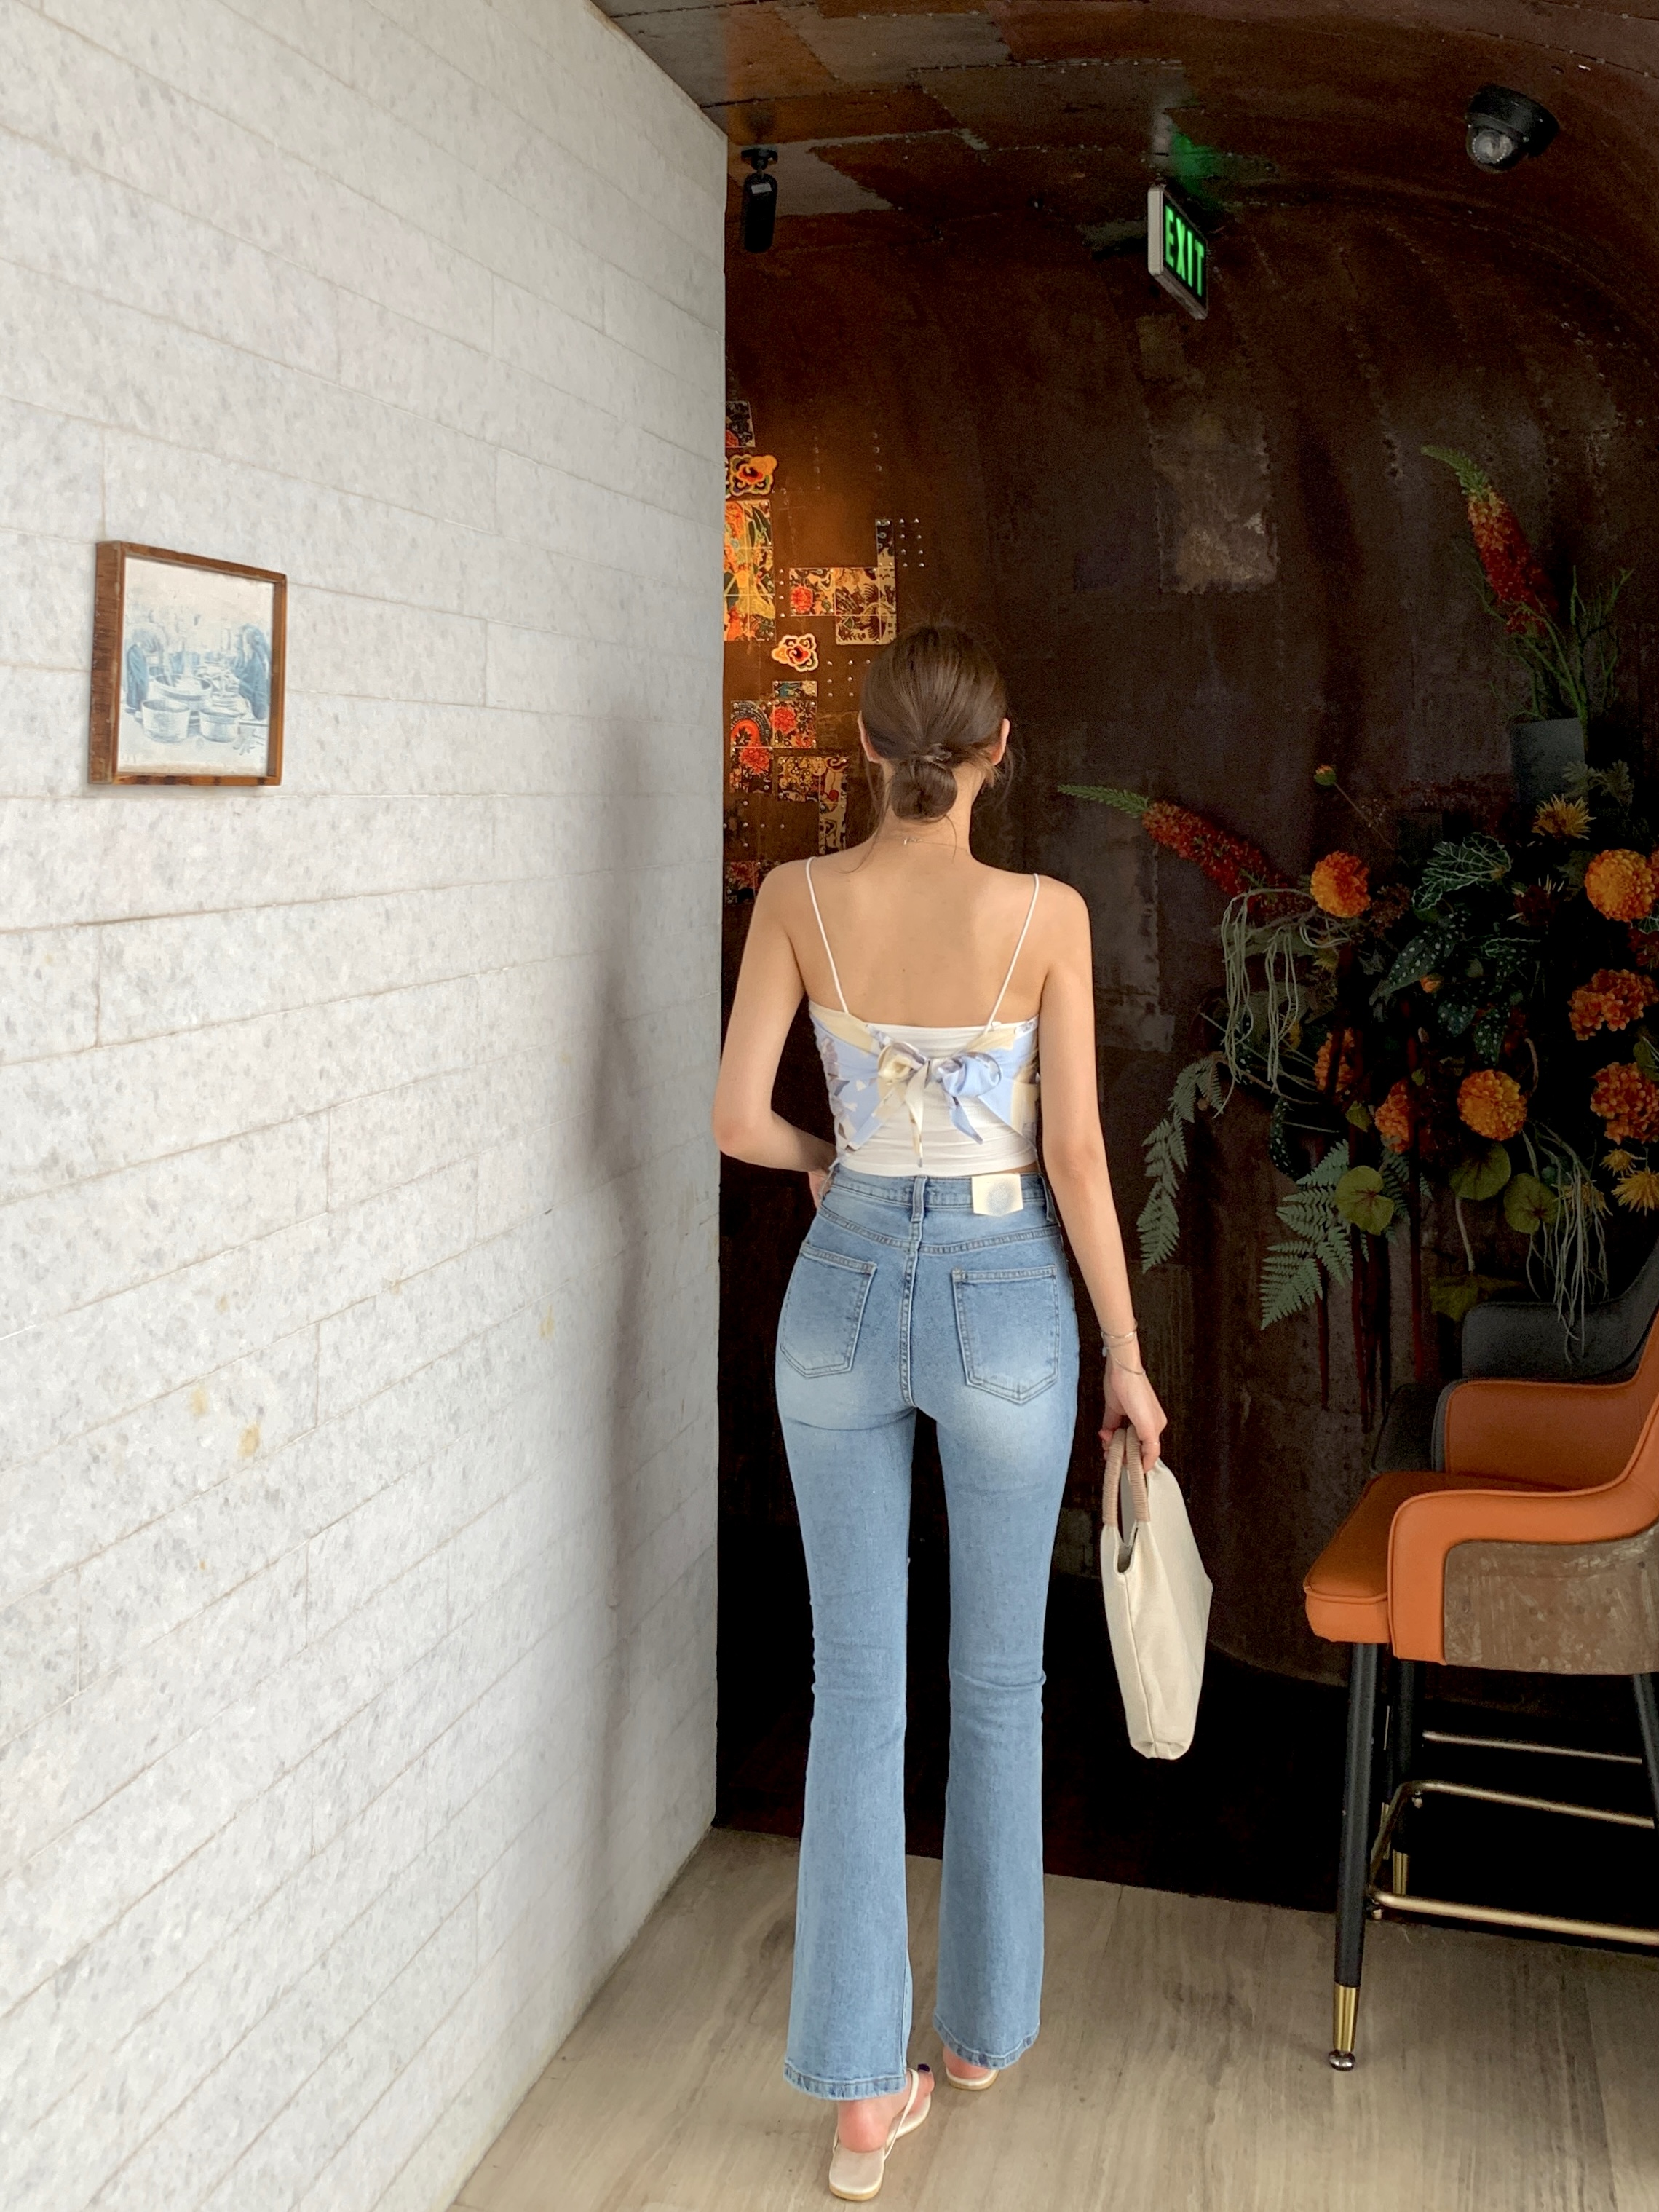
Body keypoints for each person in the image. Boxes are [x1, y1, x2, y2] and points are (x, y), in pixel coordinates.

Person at [712, 623, 1166, 2200]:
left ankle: (858, 2101)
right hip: (1006, 1298)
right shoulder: (1048, 915)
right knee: (997, 1682)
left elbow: (736, 1116)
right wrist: (1125, 1352)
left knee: (853, 1689)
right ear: (997, 751)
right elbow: (1078, 1157)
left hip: (840, 1288)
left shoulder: (795, 898)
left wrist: (827, 1161)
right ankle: (976, 2034)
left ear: (863, 745)